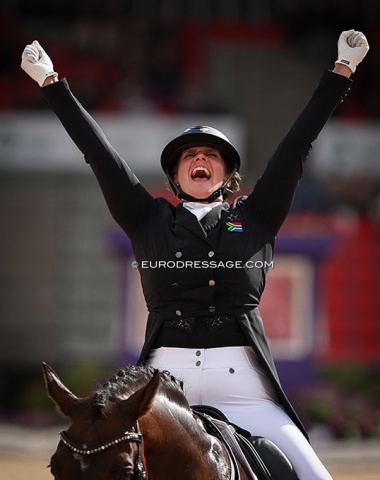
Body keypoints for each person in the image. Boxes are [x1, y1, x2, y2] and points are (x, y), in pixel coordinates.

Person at [21, 29, 369, 479]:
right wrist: (52, 83)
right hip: (161, 394)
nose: (199, 159)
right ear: (175, 176)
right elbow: (98, 154)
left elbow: (295, 147)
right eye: (189, 156)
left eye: (211, 155)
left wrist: (341, 72)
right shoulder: (148, 220)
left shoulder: (257, 215)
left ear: (226, 175)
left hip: (247, 394)